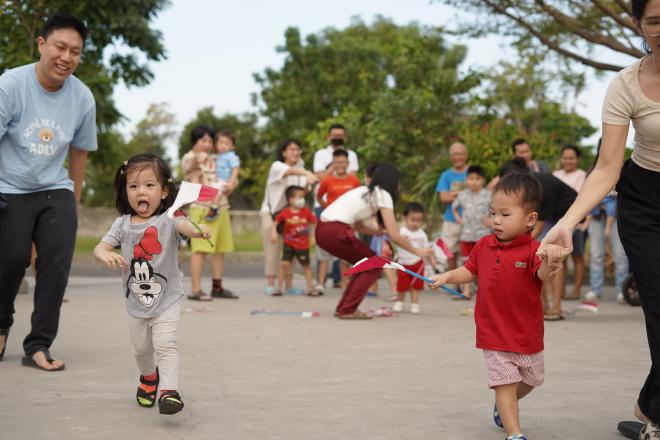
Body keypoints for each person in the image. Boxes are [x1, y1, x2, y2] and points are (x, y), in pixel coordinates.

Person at [538, 1, 660, 433]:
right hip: (645, 201)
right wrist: (567, 222)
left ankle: (651, 404)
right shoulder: (626, 84)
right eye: (655, 21)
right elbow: (607, 167)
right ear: (639, 26)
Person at [430, 172, 567, 440]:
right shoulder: (483, 245)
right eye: (493, 213)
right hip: (493, 332)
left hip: (526, 332)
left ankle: (504, 407)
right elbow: (469, 271)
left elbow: (542, 275)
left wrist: (551, 260)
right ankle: (514, 433)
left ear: (530, 220)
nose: (496, 220)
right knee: (505, 383)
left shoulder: (534, 249)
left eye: (505, 215)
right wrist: (447, 276)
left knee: (531, 378)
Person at [0, 13, 97, 371]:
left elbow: (80, 152)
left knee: (55, 266)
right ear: (41, 44)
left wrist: (72, 201)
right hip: (8, 186)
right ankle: (0, 324)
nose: (66, 57)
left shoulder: (83, 97)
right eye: (60, 46)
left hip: (54, 188)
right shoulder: (11, 85)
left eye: (75, 51)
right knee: (10, 261)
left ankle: (39, 345)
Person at [93, 154, 210, 415]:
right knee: (141, 349)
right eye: (133, 186)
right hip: (135, 302)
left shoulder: (168, 219)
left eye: (149, 185)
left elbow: (185, 227)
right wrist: (105, 254)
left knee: (165, 343)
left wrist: (198, 228)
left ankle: (169, 391)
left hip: (167, 298)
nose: (140, 192)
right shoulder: (122, 224)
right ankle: (148, 378)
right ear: (125, 192)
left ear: (164, 190)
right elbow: (99, 247)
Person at [315, 164, 432, 319]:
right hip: (336, 230)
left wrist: (381, 231)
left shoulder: (365, 191)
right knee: (372, 265)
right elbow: (395, 235)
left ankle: (344, 308)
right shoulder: (383, 194)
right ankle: (347, 309)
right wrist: (419, 252)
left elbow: (358, 225)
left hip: (323, 230)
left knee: (364, 263)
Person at [500, 158, 577, 321]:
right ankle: (543, 307)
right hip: (550, 215)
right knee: (536, 255)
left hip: (568, 214)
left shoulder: (542, 188)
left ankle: (556, 308)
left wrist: (514, 244)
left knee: (554, 257)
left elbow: (538, 227)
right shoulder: (526, 191)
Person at [181, 125, 238, 300]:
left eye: (209, 140)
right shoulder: (189, 157)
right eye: (203, 140)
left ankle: (217, 287)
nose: (207, 144)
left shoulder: (218, 158)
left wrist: (231, 185)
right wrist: (199, 157)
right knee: (200, 251)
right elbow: (188, 166)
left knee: (220, 250)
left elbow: (231, 177)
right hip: (201, 209)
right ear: (195, 141)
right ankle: (196, 289)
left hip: (222, 207)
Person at [260, 139, 318, 295]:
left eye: (298, 149)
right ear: (284, 152)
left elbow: (303, 191)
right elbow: (290, 171)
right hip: (271, 212)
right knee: (273, 249)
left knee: (291, 248)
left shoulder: (301, 170)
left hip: (291, 215)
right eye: (292, 149)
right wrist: (306, 173)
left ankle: (289, 285)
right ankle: (271, 284)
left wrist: (308, 182)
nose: (296, 152)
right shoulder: (277, 166)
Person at [313, 124, 359, 289]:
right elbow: (320, 181)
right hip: (328, 213)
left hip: (347, 216)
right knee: (324, 247)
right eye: (335, 135)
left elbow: (354, 181)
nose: (337, 137)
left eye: (341, 135)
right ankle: (320, 281)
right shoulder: (321, 154)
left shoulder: (351, 155)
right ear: (328, 136)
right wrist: (327, 207)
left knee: (345, 250)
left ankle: (342, 281)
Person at [206, 129, 240, 298]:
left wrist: (232, 182)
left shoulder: (232, 157)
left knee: (218, 193)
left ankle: (215, 208)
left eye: (226, 143)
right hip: (217, 181)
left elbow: (235, 170)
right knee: (216, 192)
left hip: (225, 181)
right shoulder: (215, 157)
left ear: (232, 145)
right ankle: (215, 207)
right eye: (220, 143)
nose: (223, 146)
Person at [552, 145, 588, 300]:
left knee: (577, 256)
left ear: (577, 159)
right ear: (561, 159)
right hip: (558, 222)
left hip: (577, 222)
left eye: (571, 158)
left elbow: (581, 198)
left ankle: (577, 289)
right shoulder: (556, 174)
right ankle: (560, 290)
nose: (568, 161)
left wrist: (580, 221)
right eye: (565, 158)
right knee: (561, 257)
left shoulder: (581, 175)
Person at [452, 165, 491, 300]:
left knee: (484, 263)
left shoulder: (488, 195)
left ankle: (483, 291)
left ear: (483, 180)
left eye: (477, 179)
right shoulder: (462, 195)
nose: (474, 182)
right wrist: (459, 219)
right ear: (467, 180)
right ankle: (467, 291)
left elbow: (496, 209)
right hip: (466, 235)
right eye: (471, 178)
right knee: (466, 263)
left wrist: (491, 220)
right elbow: (454, 208)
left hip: (483, 235)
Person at [581, 192, 628, 304]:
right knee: (596, 255)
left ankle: (622, 290)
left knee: (620, 256)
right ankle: (595, 290)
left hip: (617, 217)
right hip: (596, 216)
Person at [270, 186, 317, 296]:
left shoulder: (306, 212)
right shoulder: (285, 213)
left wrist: (313, 236)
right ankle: (279, 288)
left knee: (306, 266)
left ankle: (310, 288)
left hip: (303, 245)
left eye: (303, 197)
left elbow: (314, 222)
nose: (302, 200)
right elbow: (276, 222)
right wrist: (273, 233)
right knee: (284, 265)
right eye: (299, 197)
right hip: (289, 244)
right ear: (290, 199)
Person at [392, 203, 435, 315]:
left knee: (416, 285)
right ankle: (399, 302)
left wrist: (431, 257)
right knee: (401, 285)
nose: (416, 223)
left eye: (419, 220)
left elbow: (426, 248)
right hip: (403, 263)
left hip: (417, 263)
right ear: (405, 218)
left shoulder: (422, 235)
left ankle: (415, 304)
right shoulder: (401, 232)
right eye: (413, 220)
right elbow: (394, 242)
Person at [435, 142, 469, 272]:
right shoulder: (446, 175)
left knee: (468, 252)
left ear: (465, 156)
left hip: (470, 220)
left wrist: (454, 195)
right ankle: (454, 280)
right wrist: (464, 195)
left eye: (460, 154)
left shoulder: (472, 172)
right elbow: (443, 197)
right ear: (450, 157)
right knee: (449, 251)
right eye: (454, 154)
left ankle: (468, 283)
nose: (457, 157)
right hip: (451, 220)